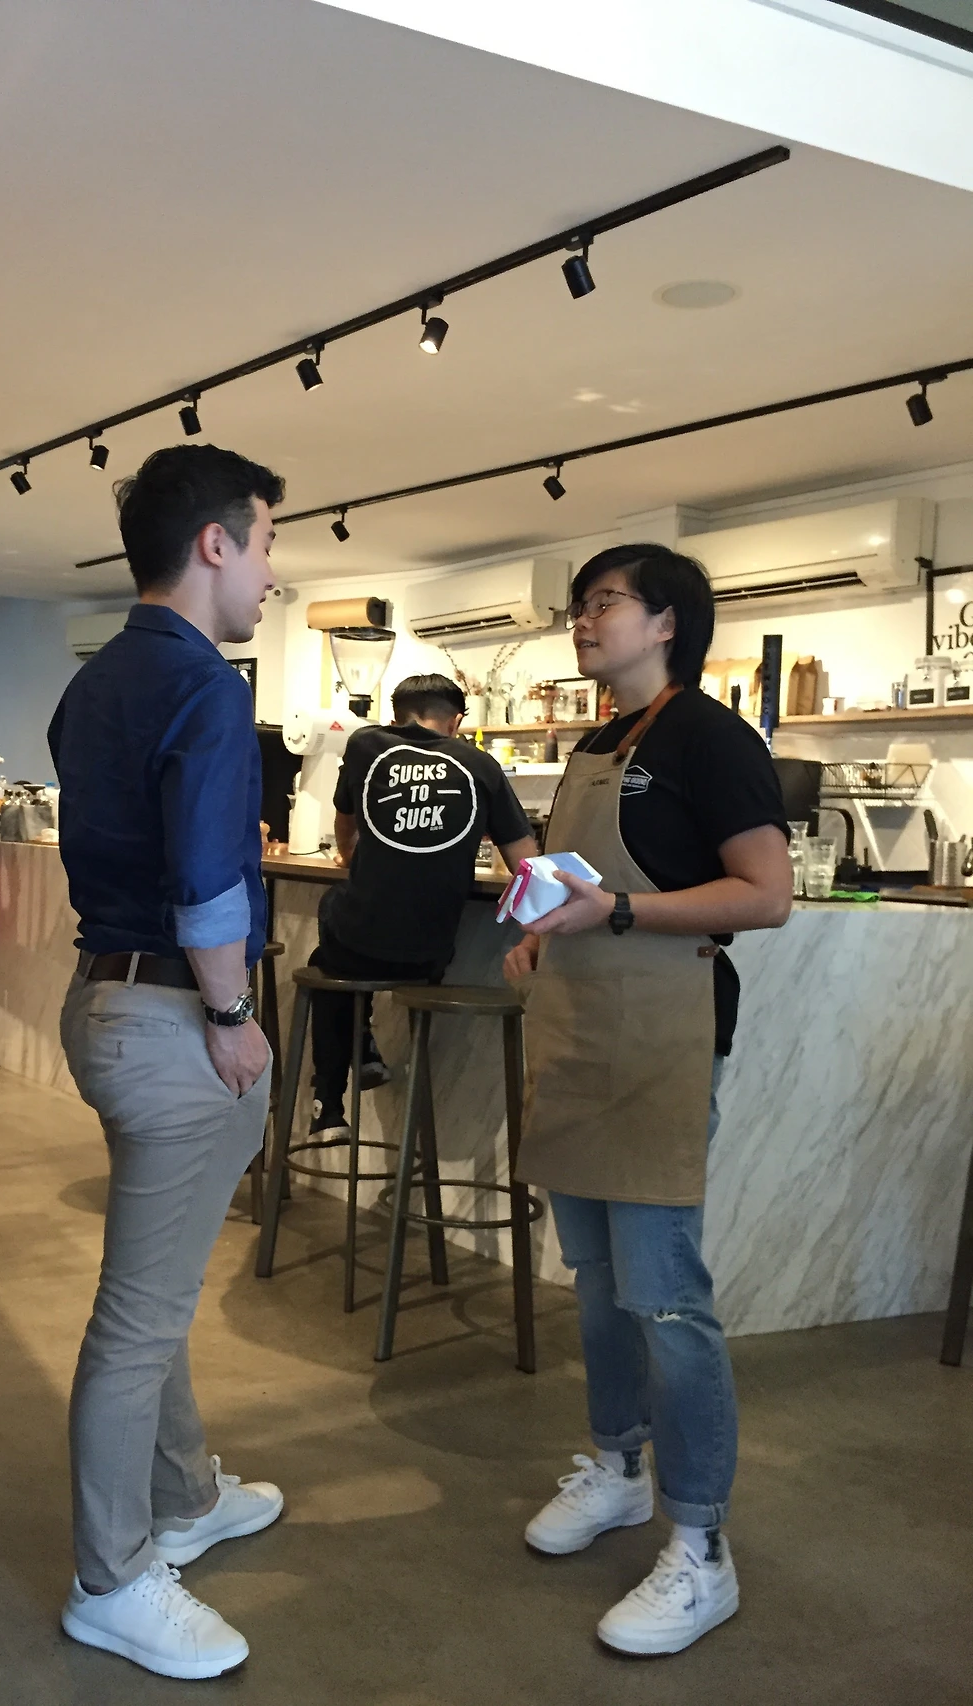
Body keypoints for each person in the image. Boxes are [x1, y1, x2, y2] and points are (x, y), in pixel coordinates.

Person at [506, 544, 791, 1657]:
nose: (583, 620)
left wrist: (616, 913)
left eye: (604, 603)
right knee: (596, 1282)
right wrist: (544, 932)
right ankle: (619, 1466)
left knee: (665, 1295)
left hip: (663, 1037)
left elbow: (765, 895)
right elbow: (581, 885)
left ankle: (702, 1542)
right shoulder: (595, 742)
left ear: (667, 622)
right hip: (581, 1032)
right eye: (578, 606)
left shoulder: (712, 739)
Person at [48, 444, 285, 1681]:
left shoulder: (95, 682)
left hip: (104, 999)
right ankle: (112, 1575)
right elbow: (202, 881)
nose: (269, 573)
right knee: (137, 1321)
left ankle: (183, 1493)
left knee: (159, 1280)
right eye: (266, 543)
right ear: (214, 543)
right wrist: (233, 1010)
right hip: (173, 1016)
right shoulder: (203, 684)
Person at [307, 672, 537, 1139]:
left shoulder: (366, 745)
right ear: (456, 721)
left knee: (330, 940)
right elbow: (527, 863)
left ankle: (329, 1102)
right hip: (430, 956)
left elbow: (345, 823)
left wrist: (351, 858)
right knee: (340, 949)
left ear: (395, 717)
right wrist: (537, 931)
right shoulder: (481, 765)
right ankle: (361, 1051)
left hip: (358, 945)